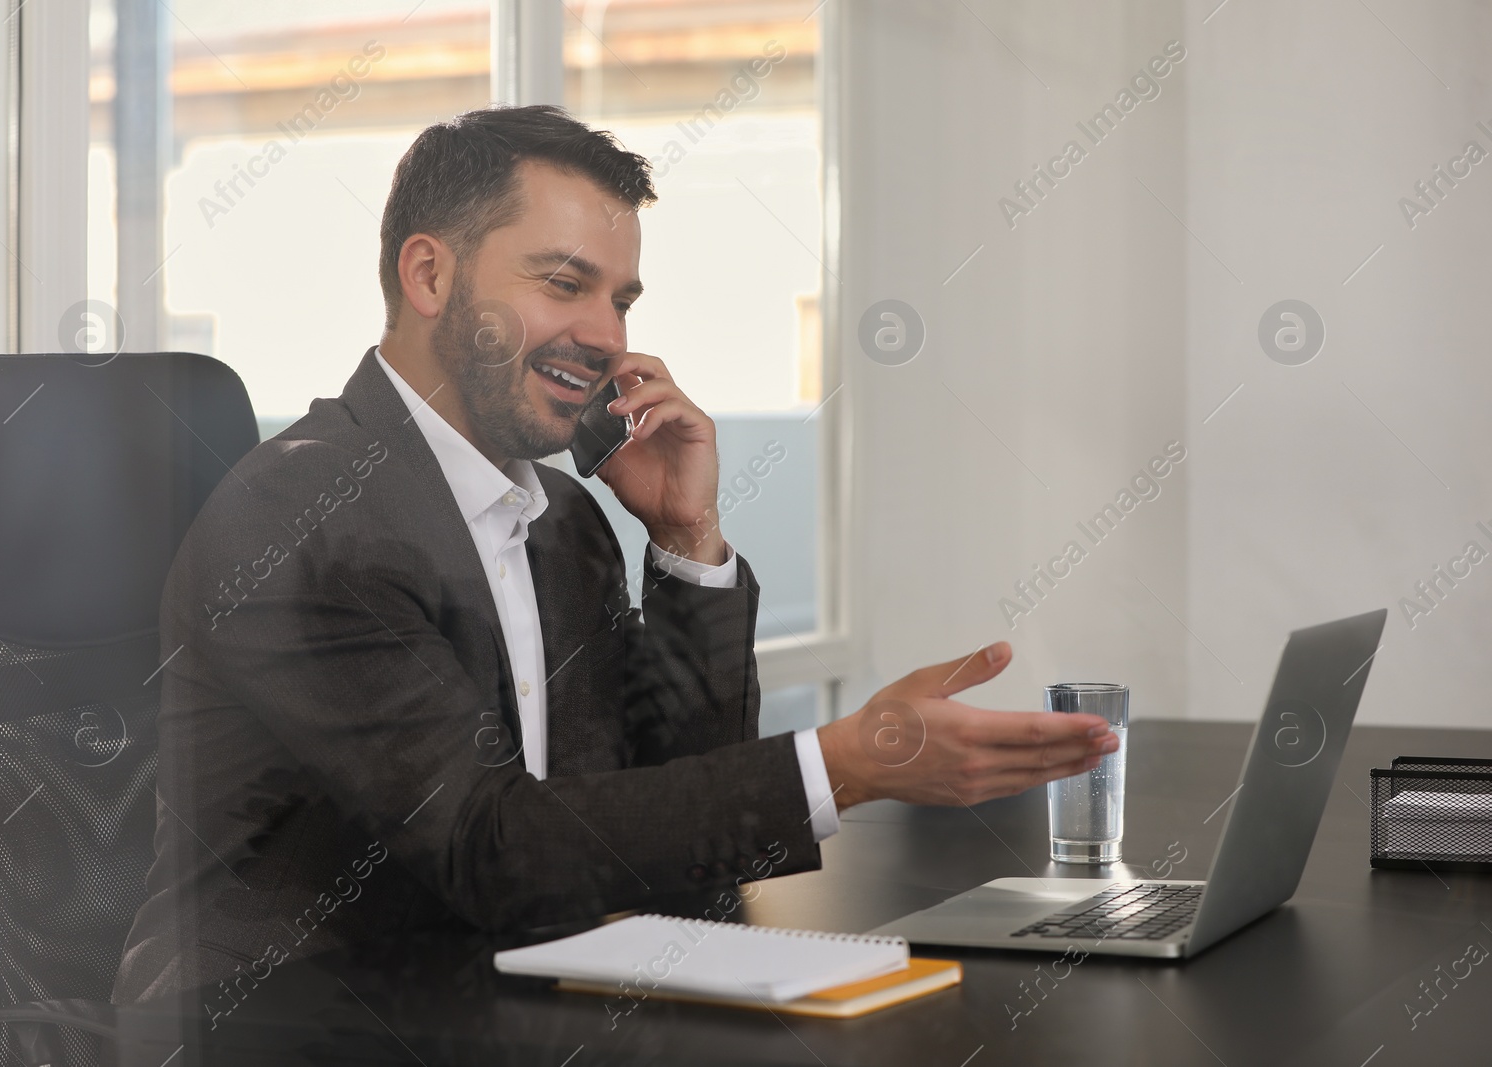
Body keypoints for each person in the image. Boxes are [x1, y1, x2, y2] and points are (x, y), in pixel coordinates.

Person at [113, 105, 1117, 1002]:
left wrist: (684, 539)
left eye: (622, 300)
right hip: (297, 1019)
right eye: (564, 283)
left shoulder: (560, 517)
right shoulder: (303, 514)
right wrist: (840, 766)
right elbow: (486, 848)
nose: (605, 335)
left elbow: (675, 837)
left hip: (510, 994)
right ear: (431, 273)